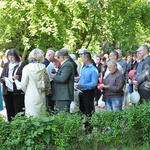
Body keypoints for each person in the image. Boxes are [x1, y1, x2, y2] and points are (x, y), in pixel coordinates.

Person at [21, 49, 51, 117]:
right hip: (41, 94)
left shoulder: (26, 68)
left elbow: (23, 84)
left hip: (30, 95)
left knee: (31, 115)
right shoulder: (43, 67)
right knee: (41, 115)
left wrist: (26, 91)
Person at [0, 48, 26, 121]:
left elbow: (25, 76)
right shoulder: (6, 65)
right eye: (9, 57)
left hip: (17, 92)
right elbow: (1, 76)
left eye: (12, 57)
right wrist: (4, 79)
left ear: (16, 56)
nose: (10, 59)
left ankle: (19, 125)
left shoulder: (22, 65)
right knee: (9, 110)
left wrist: (18, 77)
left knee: (18, 110)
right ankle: (10, 125)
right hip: (7, 91)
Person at [76, 52, 98, 132]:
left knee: (89, 111)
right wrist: (78, 83)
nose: (81, 59)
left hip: (88, 92)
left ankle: (89, 129)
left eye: (82, 58)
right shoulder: (84, 68)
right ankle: (81, 127)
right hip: (81, 91)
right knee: (81, 109)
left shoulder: (93, 70)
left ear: (86, 59)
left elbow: (94, 83)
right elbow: (82, 79)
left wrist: (83, 85)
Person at [42, 49, 56, 113]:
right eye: (53, 56)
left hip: (43, 87)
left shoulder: (42, 63)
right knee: (49, 105)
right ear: (49, 55)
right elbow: (54, 74)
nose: (54, 58)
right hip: (49, 86)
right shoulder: (49, 64)